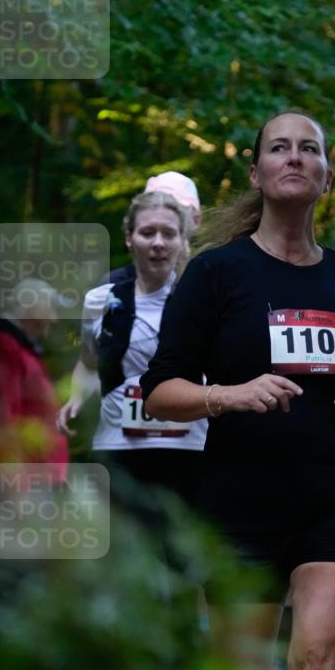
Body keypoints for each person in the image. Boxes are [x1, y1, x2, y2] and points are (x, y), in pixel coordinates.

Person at [141, 110, 335, 670]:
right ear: (256, 173)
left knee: (316, 667)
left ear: (326, 176)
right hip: (241, 500)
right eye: (279, 148)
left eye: (309, 149)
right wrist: (228, 395)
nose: (294, 157)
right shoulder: (216, 273)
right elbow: (160, 391)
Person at [56, 188, 207, 508]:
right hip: (117, 448)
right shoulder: (101, 299)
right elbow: (88, 364)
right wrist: (76, 398)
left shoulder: (204, 299)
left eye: (168, 234)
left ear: (182, 241)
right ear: (129, 238)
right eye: (147, 232)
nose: (158, 243)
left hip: (188, 449)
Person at [0, 278, 69, 483]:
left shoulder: (19, 348)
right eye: (51, 309)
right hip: (24, 482)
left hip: (39, 478)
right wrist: (14, 480)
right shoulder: (2, 346)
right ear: (32, 308)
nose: (54, 319)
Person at [106, 172, 201, 285]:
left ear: (196, 220)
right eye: (153, 205)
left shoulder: (211, 282)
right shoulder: (111, 286)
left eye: (175, 209)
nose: (162, 213)